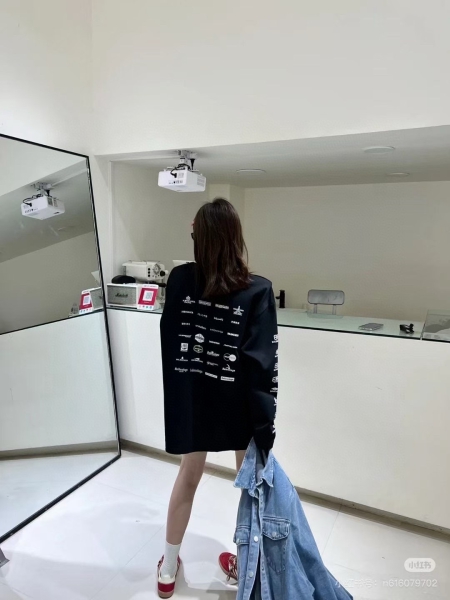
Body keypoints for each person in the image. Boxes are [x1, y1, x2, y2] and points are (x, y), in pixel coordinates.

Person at [157, 198, 278, 598]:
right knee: (249, 487)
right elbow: (262, 363)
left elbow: (171, 341)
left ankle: (167, 569)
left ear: (199, 235)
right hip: (240, 408)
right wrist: (265, 425)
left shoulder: (180, 280)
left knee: (188, 476)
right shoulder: (257, 290)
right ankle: (248, 569)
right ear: (235, 237)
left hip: (196, 402)